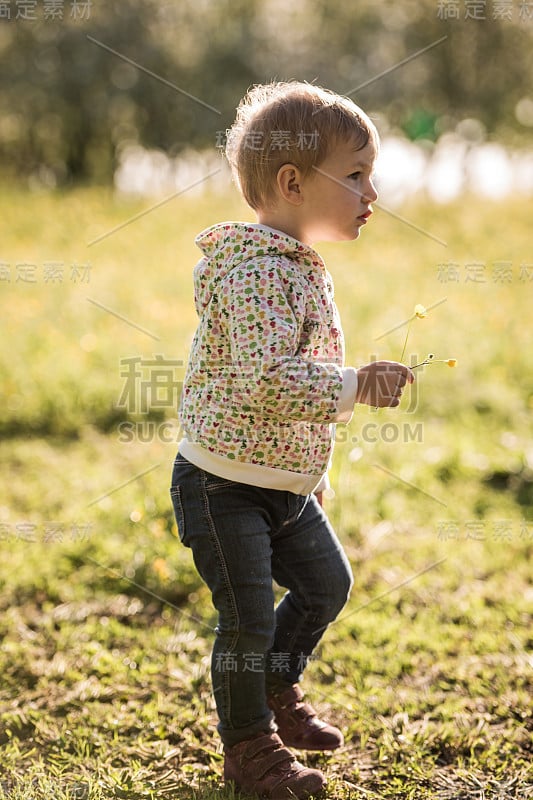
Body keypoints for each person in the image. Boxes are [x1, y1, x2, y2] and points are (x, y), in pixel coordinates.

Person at [170, 81, 414, 799]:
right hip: (223, 485)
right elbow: (265, 382)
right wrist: (354, 385)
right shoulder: (250, 271)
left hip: (279, 481)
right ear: (290, 182)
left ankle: (275, 692)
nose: (373, 193)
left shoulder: (292, 262)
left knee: (325, 584)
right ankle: (249, 750)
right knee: (245, 618)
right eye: (356, 175)